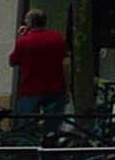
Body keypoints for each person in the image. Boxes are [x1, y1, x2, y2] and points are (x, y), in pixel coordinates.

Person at [10, 9, 70, 138]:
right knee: (53, 128)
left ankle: (28, 151)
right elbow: (64, 64)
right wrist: (67, 89)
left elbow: (13, 61)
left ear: (30, 24)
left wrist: (22, 37)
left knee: (27, 127)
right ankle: (50, 152)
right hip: (55, 87)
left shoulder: (25, 41)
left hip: (31, 88)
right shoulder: (57, 38)